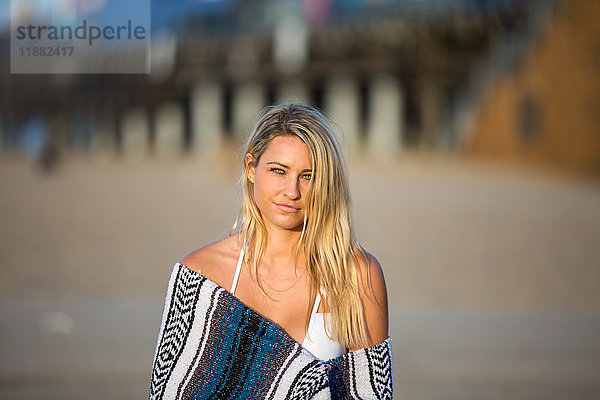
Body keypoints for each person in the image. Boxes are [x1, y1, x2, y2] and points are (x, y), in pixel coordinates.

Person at [149, 104, 393, 399]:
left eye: (308, 176)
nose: (292, 191)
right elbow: (171, 391)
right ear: (251, 169)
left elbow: (371, 394)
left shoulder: (355, 275)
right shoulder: (200, 275)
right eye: (279, 171)